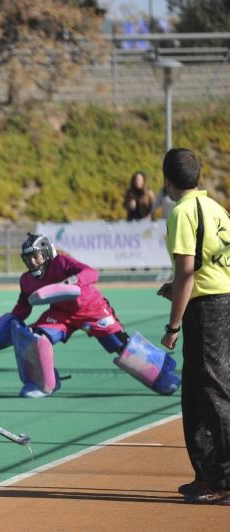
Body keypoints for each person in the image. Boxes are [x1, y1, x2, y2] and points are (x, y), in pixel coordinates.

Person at [0, 233, 181, 399]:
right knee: (35, 338)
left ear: (46, 253)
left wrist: (74, 280)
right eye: (28, 259)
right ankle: (42, 382)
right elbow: (23, 306)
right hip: (61, 314)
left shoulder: (61, 262)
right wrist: (10, 324)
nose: (32, 262)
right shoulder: (27, 281)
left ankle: (161, 374)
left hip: (91, 310)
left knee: (119, 344)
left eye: (36, 257)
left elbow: (91, 273)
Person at [156, 148, 230, 505]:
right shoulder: (216, 209)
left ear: (167, 179)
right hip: (220, 301)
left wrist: (172, 327)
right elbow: (211, 265)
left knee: (214, 393)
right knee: (197, 393)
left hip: (208, 309)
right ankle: (207, 473)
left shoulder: (182, 213)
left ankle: (225, 480)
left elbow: (186, 270)